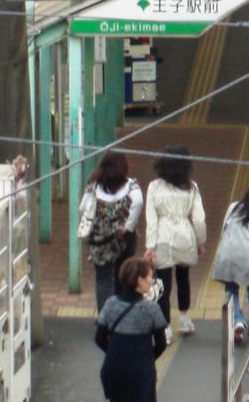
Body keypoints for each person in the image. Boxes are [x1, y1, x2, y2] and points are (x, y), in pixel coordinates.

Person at [144, 145, 206, 340]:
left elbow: (151, 219)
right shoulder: (192, 187)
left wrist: (150, 246)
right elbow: (198, 219)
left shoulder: (154, 186)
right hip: (185, 236)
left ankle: (165, 328)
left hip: (162, 236)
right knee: (183, 277)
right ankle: (185, 319)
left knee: (163, 283)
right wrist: (200, 241)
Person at [95, 256, 168, 402]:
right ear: (140, 281)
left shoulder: (110, 304)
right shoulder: (151, 309)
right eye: (150, 277)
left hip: (114, 370)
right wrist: (145, 358)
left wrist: (115, 354)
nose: (152, 280)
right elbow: (161, 344)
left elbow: (99, 338)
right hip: (141, 374)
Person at [79, 151, 143, 312]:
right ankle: (123, 312)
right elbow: (138, 202)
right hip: (123, 238)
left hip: (99, 239)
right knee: (124, 274)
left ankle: (105, 317)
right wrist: (128, 226)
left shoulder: (94, 185)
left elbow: (82, 208)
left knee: (103, 278)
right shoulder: (131, 185)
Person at [212, 180, 249, 345]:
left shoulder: (235, 207)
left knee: (232, 290)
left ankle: (238, 320)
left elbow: (224, 229)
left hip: (229, 252)